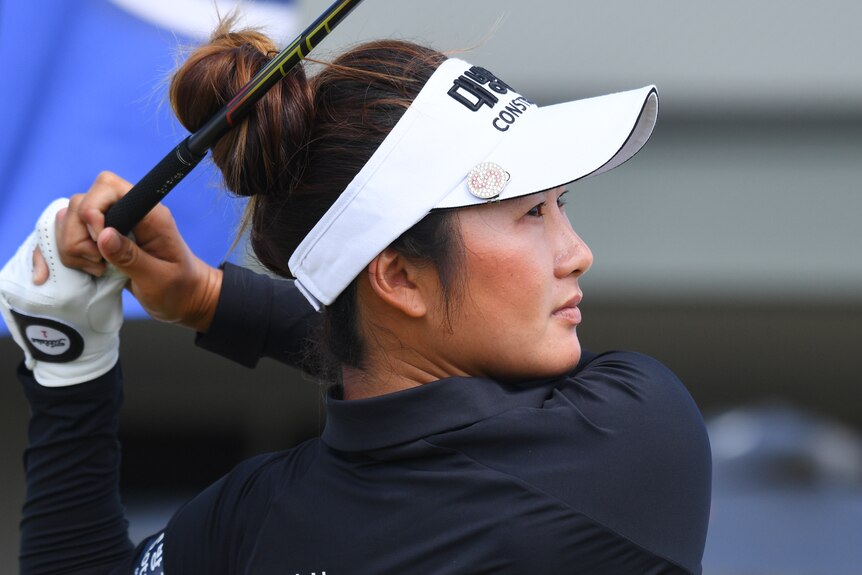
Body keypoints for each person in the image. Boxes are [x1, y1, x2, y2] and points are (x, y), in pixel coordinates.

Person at [0, 23, 711, 575]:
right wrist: (211, 299)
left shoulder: (250, 521)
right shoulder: (635, 431)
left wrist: (70, 363)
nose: (576, 251)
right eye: (532, 213)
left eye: (561, 205)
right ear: (398, 277)